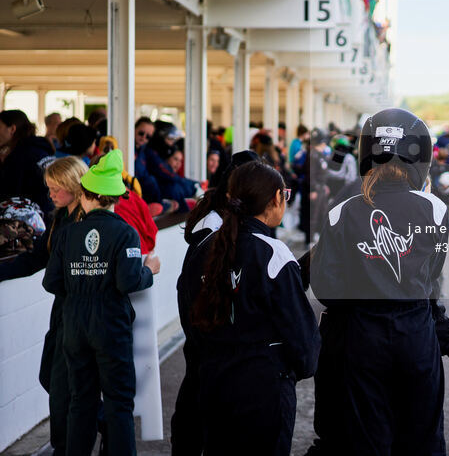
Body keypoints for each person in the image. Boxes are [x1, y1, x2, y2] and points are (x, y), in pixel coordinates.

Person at [308, 108, 449, 455]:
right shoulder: (435, 210)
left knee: (367, 443)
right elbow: (431, 285)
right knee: (423, 442)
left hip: (361, 342)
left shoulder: (343, 211)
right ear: (422, 156)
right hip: (417, 339)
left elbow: (326, 290)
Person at [178, 161, 319, 455]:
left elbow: (191, 319)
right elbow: (302, 337)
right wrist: (295, 369)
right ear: (275, 199)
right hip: (263, 390)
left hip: (213, 384)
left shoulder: (206, 248)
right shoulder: (271, 252)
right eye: (286, 195)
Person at [42, 149, 161, 455]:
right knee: (119, 403)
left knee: (80, 401)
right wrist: (149, 271)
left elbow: (51, 282)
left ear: (84, 195)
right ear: (115, 198)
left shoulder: (69, 234)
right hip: (111, 324)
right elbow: (129, 281)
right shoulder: (126, 233)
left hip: (74, 324)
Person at [171, 150, 260, 456]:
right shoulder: (212, 221)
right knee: (196, 413)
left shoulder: (233, 216)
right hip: (205, 333)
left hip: (211, 335)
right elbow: (196, 283)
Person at [0, 156, 86, 454]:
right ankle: (97, 422)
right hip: (61, 311)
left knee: (63, 389)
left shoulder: (88, 222)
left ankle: (70, 443)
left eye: (55, 188)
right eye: (48, 187)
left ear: (74, 186)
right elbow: (36, 258)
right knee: (50, 377)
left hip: (81, 315)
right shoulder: (58, 218)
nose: (49, 194)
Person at [0, 109, 55, 216]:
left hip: (31, 220)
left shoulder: (22, 156)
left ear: (12, 129)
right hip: (44, 214)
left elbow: (9, 192)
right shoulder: (38, 149)